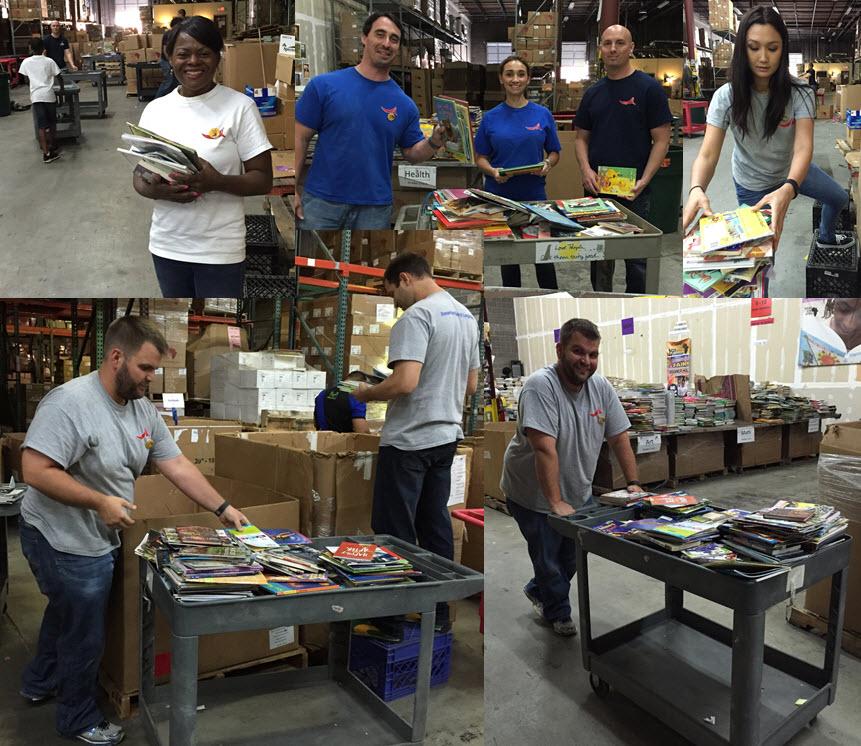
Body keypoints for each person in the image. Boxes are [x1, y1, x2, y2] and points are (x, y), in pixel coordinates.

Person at [18, 315, 249, 745]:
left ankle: (39, 681)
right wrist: (98, 500)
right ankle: (77, 716)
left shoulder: (141, 407)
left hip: (99, 531)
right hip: (59, 534)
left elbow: (174, 462)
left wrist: (221, 507)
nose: (150, 379)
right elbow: (33, 469)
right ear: (116, 358)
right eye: (145, 369)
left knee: (68, 611)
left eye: (155, 370)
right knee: (85, 627)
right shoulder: (70, 403)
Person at [352, 252, 480, 629]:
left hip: (409, 441)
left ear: (406, 278)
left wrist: (365, 393)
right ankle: (437, 614)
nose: (394, 302)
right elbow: (470, 385)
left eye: (392, 292)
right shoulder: (465, 316)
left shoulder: (417, 316)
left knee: (393, 530)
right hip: (445, 438)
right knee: (434, 525)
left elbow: (405, 383)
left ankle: (389, 622)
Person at [501, 318, 645, 636]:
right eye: (578, 351)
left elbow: (619, 437)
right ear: (560, 349)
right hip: (532, 493)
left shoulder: (601, 387)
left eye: (593, 354)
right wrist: (555, 502)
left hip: (576, 490)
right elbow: (544, 450)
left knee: (572, 557)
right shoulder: (540, 387)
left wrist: (633, 483)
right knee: (549, 557)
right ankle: (558, 612)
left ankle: (539, 590)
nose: (586, 361)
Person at [683, 6, 850, 257]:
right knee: (761, 256)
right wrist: (696, 188)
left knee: (838, 197)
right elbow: (707, 154)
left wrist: (789, 186)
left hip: (792, 173)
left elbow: (803, 147)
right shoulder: (725, 97)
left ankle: (826, 237)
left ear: (782, 50)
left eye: (772, 48)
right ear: (743, 49)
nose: (763, 57)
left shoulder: (800, 92)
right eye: (754, 47)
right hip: (752, 184)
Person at [132, 17, 273, 297]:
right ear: (169, 58)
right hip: (167, 245)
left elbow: (263, 180)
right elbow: (138, 174)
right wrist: (154, 188)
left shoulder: (240, 107)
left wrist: (215, 182)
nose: (193, 61)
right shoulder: (156, 110)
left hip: (219, 250)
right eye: (183, 54)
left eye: (204, 53)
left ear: (218, 57)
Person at [294, 13, 448, 229]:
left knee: (366, 263)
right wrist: (292, 189)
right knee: (314, 262)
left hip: (374, 209)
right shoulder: (324, 86)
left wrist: (434, 141)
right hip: (322, 203)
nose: (386, 43)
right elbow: (299, 139)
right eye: (380, 34)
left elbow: (412, 153)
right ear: (364, 38)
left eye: (394, 39)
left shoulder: (404, 104)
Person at [575, 24, 672, 293]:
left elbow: (662, 139)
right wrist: (585, 170)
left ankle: (636, 308)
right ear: (600, 49)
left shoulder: (648, 89)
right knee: (599, 257)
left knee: (637, 260)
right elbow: (581, 138)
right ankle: (600, 303)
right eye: (607, 43)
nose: (613, 49)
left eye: (620, 43)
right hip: (596, 191)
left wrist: (644, 179)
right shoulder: (593, 93)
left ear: (631, 48)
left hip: (635, 192)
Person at [473, 54, 562, 289]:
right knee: (509, 259)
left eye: (521, 74)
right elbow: (480, 157)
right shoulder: (490, 118)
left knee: (543, 257)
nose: (515, 79)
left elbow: (554, 152)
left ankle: (551, 301)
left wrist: (548, 165)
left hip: (535, 199)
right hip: (501, 200)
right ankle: (511, 304)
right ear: (501, 79)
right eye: (509, 74)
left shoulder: (542, 115)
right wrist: (492, 171)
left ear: (528, 78)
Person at [18, 38, 61, 163]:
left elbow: (26, 80)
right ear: (43, 48)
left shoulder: (26, 62)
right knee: (52, 123)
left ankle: (46, 153)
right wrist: (62, 89)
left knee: (42, 126)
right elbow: (59, 76)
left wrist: (33, 87)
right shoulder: (49, 61)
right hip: (48, 95)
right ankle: (53, 146)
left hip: (36, 97)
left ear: (30, 48)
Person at [153, 17, 183, 99]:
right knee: (168, 82)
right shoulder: (169, 34)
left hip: (171, 61)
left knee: (176, 82)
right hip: (166, 61)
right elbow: (165, 49)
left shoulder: (176, 34)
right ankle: (157, 100)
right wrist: (170, 61)